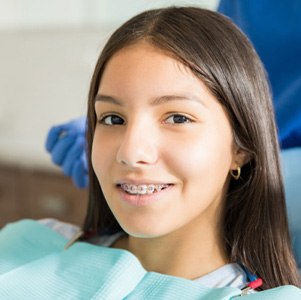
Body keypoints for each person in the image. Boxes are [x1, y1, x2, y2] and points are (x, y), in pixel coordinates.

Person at [3, 6, 300, 298]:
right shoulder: (26, 246)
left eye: (178, 118)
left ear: (242, 147)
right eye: (112, 118)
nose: (130, 152)